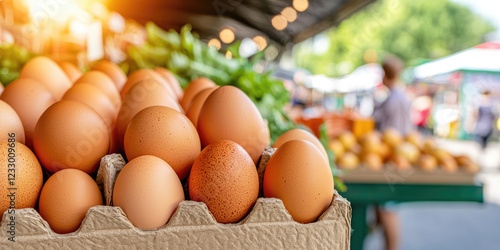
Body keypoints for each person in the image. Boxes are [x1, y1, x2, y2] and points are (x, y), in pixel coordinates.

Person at [372, 55, 413, 250]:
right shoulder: (399, 96)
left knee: (388, 208)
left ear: (385, 75)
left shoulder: (394, 99)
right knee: (384, 207)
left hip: (393, 158)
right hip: (396, 155)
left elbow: (390, 136)